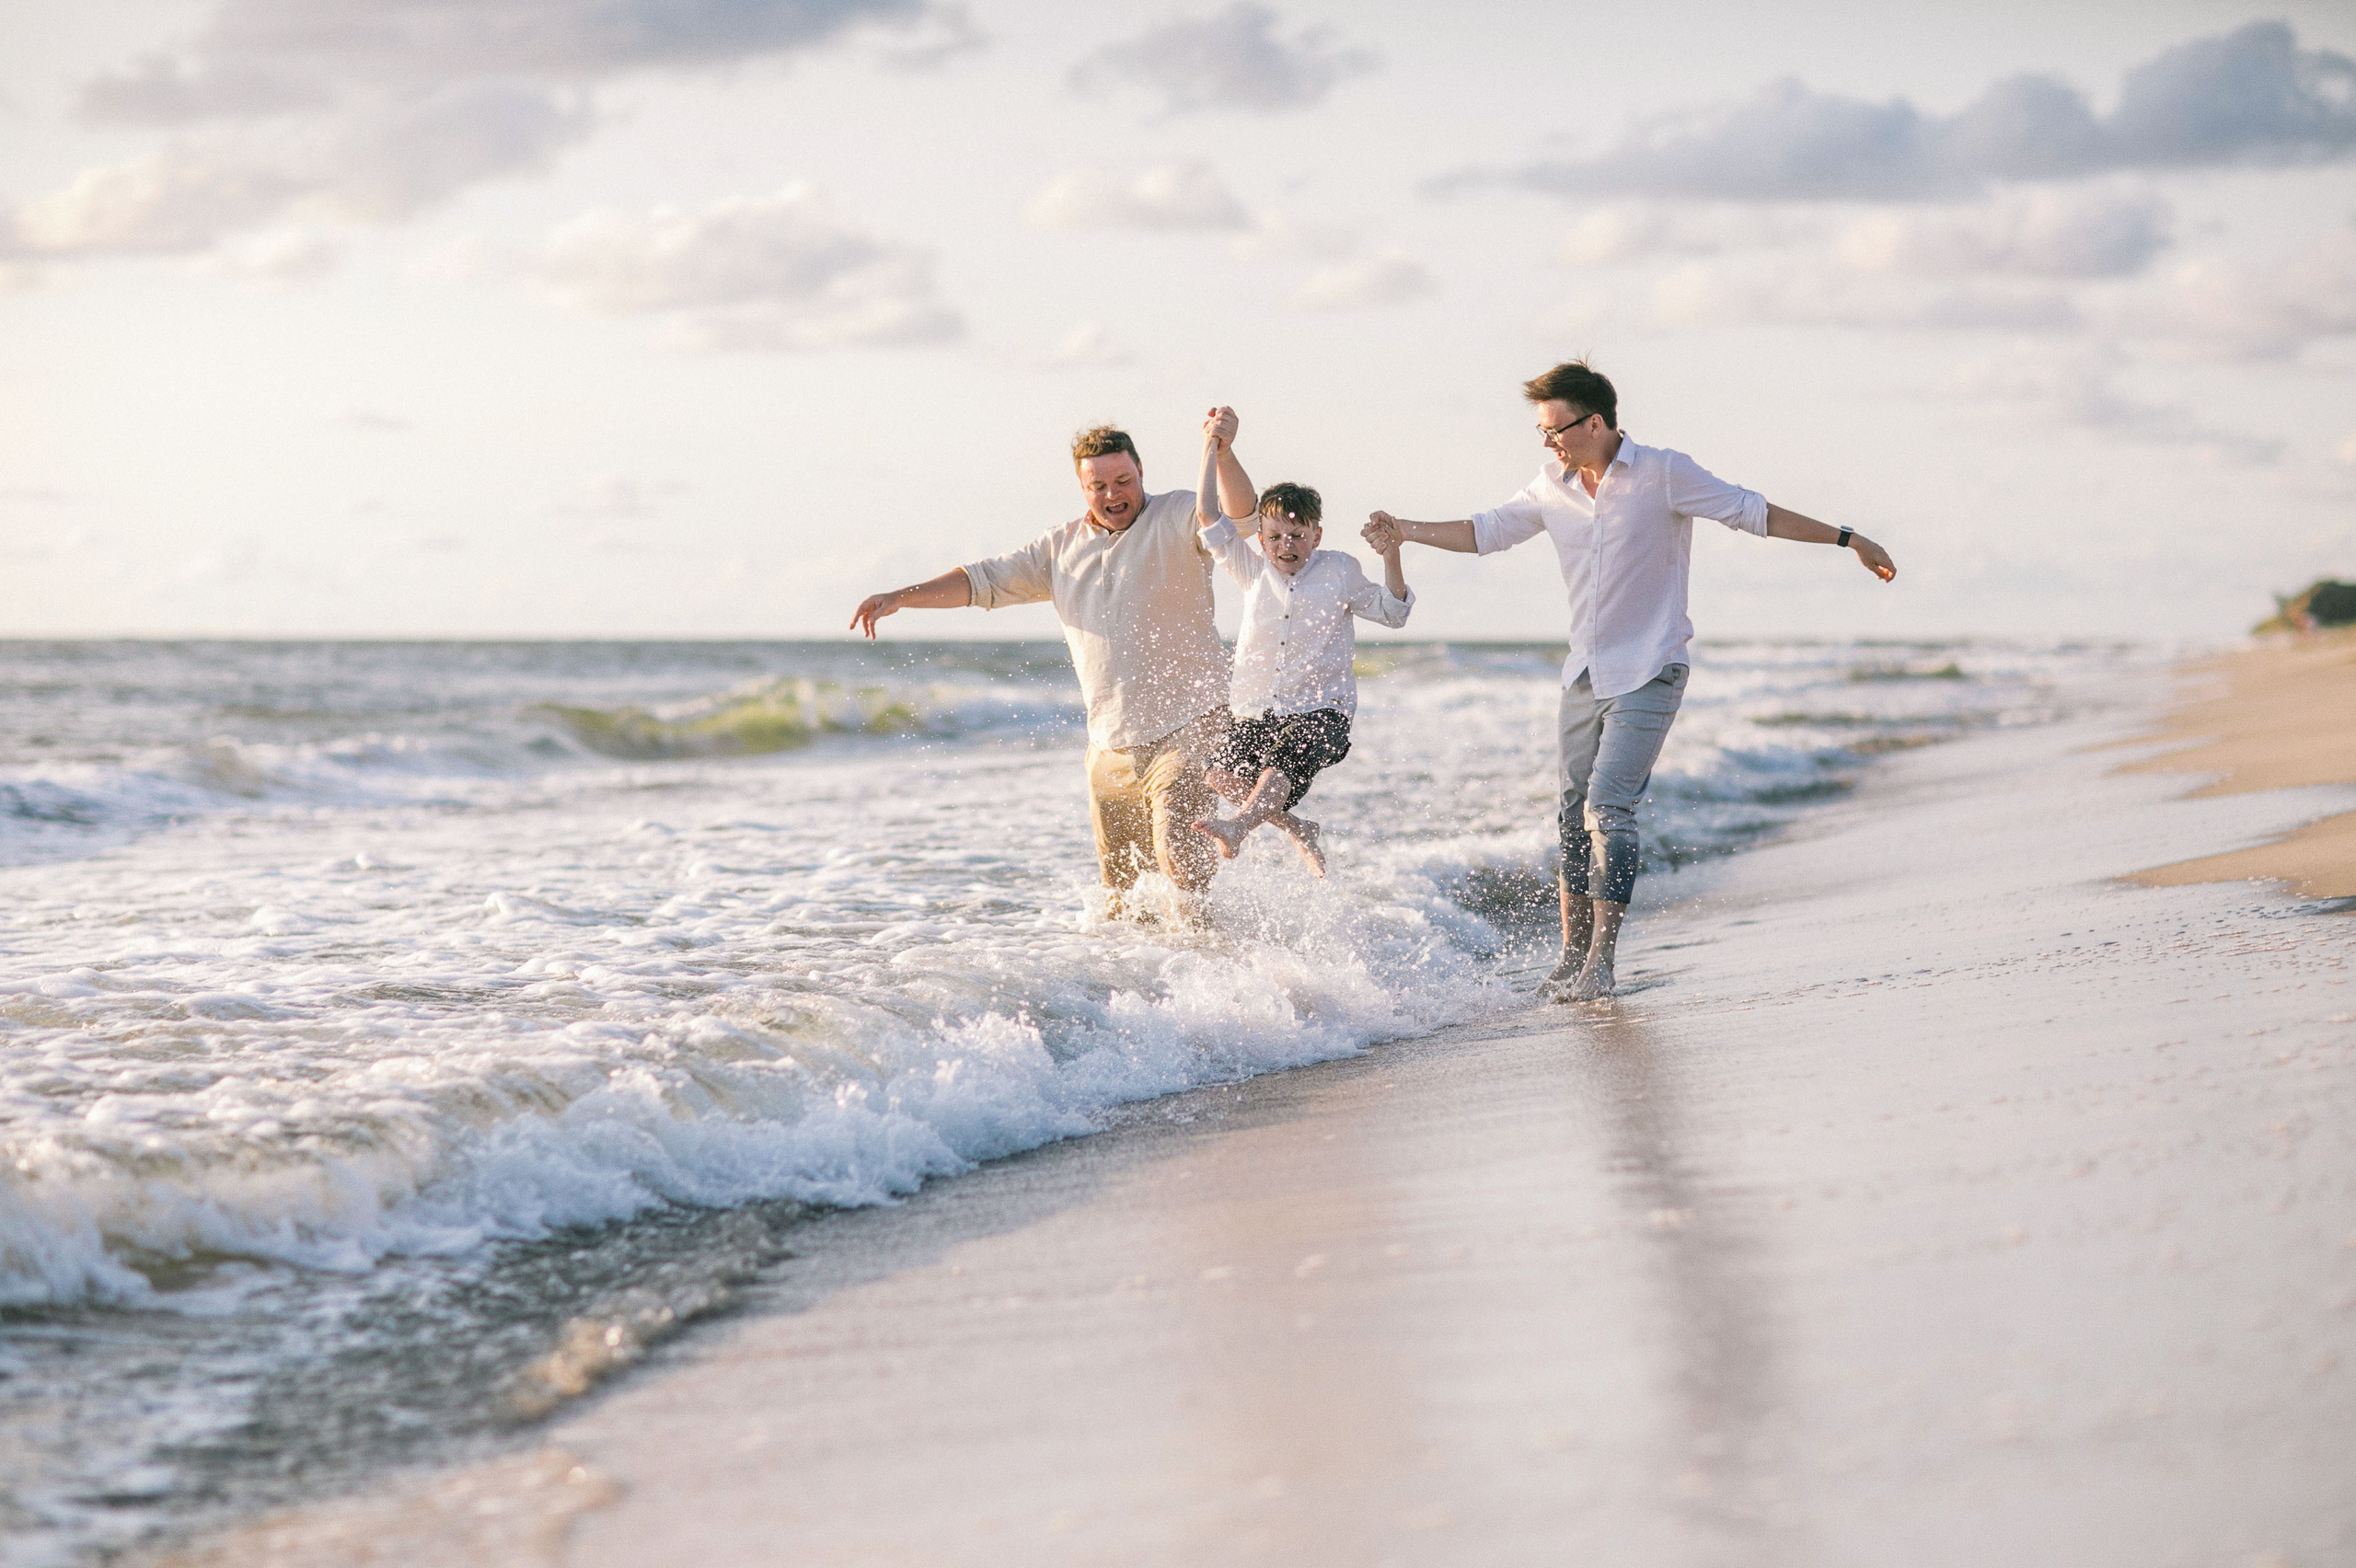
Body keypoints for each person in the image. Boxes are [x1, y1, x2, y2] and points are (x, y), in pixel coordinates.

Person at [1368, 360, 1896, 1001]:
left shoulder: (1664, 473)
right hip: (1584, 672)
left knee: (1606, 809)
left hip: (1651, 667)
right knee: (1569, 816)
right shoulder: (1550, 484)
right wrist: (1406, 532)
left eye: (1554, 428)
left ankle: (1602, 962)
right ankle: (1569, 960)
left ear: (1595, 423)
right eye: (1540, 430)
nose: (1546, 442)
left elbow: (1754, 512)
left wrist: (1849, 539)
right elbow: (1485, 533)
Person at [850, 412, 1240, 921]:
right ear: (1082, 487)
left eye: (1123, 480)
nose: (1112, 494)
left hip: (1191, 726)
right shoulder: (1058, 548)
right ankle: (1145, 996)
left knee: (1182, 869)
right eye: (1097, 485)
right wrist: (901, 597)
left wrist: (1223, 453)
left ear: (1141, 472)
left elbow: (1242, 515)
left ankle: (1226, 987)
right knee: (1124, 904)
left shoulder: (1181, 515)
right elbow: (981, 581)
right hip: (1110, 748)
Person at [1191, 421, 1413, 878]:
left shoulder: (1340, 571)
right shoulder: (1251, 572)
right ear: (1261, 538)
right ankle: (1297, 829)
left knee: (1277, 768)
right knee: (1218, 774)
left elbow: (1394, 613)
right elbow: (1208, 514)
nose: (1285, 546)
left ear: (1317, 534)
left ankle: (1236, 828)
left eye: (1296, 535)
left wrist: (1392, 554)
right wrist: (1212, 447)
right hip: (1255, 709)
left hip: (1321, 710)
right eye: (1274, 537)